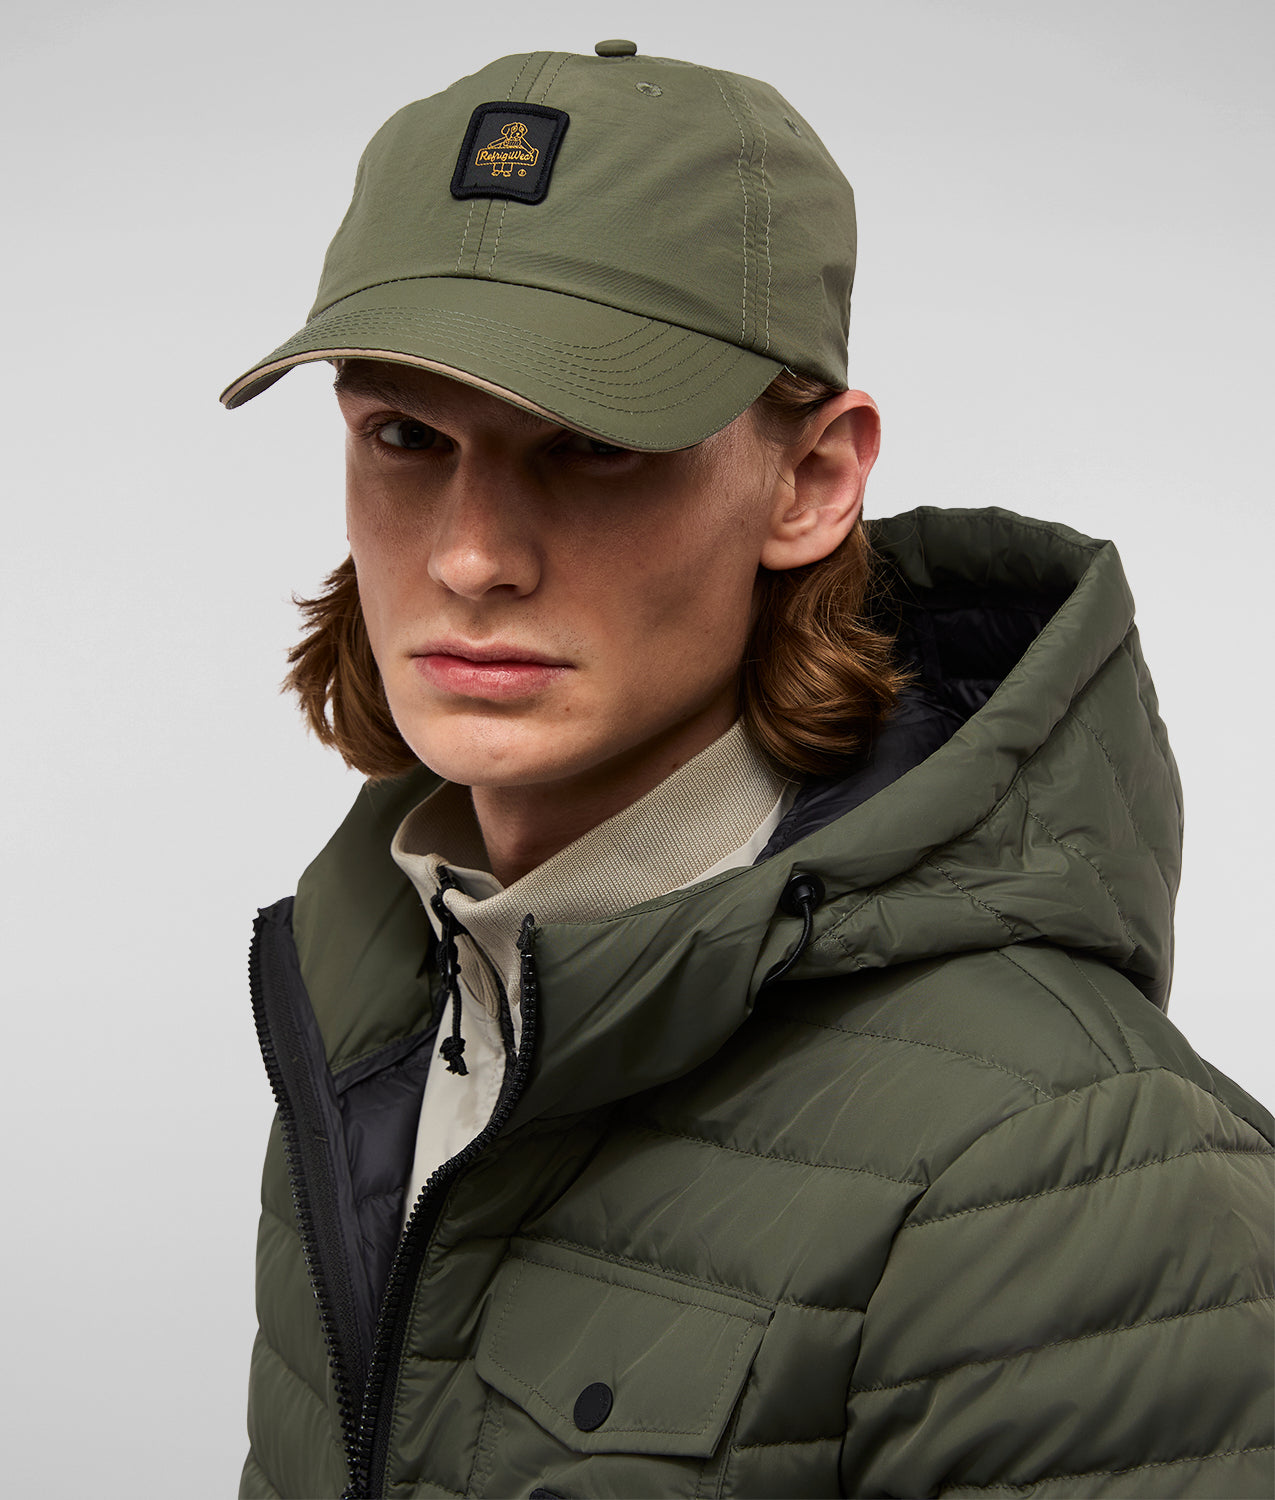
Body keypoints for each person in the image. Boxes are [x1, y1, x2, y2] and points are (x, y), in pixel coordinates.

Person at [222, 41, 1274, 1500]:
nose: (470, 556)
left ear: (814, 480)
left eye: (593, 446)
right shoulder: (382, 1013)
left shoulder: (1068, 1165)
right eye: (404, 435)